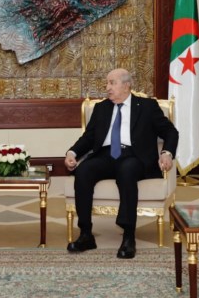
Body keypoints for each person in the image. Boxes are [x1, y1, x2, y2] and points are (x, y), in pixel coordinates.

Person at [64, 68, 178, 259]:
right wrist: (72, 152)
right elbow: (89, 137)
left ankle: (128, 236)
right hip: (106, 155)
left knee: (127, 170)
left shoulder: (147, 106)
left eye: (112, 83)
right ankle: (86, 234)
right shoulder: (101, 108)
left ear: (126, 85)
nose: (107, 87)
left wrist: (166, 153)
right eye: (107, 83)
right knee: (84, 170)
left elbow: (170, 132)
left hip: (134, 156)